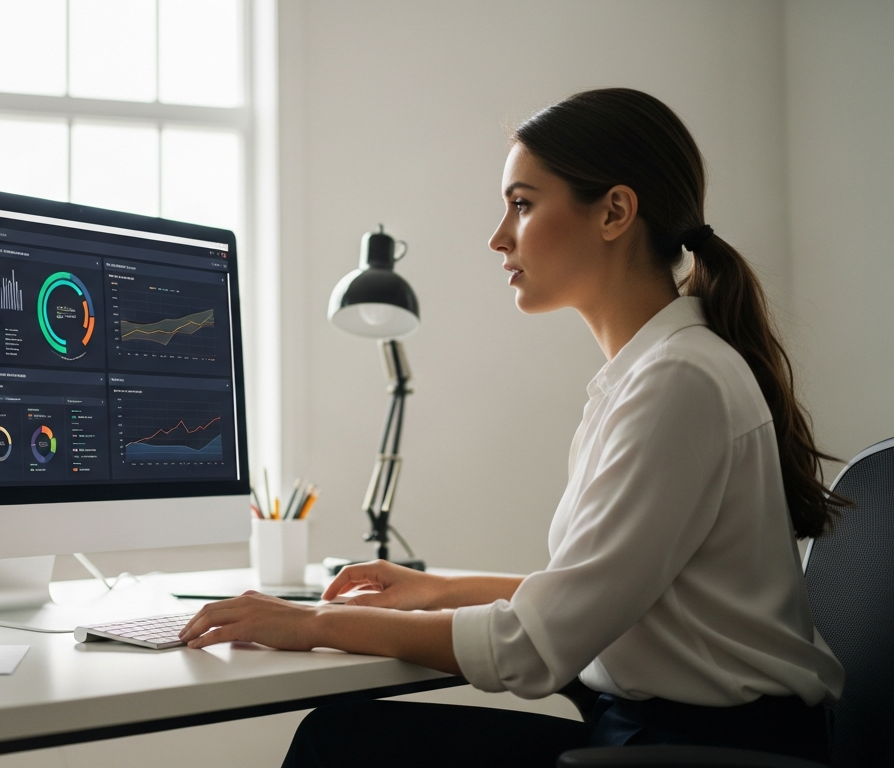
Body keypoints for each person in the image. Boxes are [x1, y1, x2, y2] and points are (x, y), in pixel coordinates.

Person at [177, 88, 848, 767]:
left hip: (698, 749)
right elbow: (592, 594)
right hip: (652, 733)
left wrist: (313, 623)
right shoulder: (649, 374)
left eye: (522, 205)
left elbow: (533, 645)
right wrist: (435, 592)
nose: (499, 236)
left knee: (341, 744)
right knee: (343, 737)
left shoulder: (679, 382)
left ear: (614, 212)